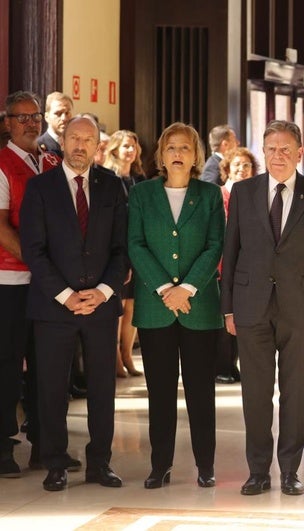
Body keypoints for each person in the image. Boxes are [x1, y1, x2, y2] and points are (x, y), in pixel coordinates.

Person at [221, 120, 304, 496]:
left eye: (286, 148)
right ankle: (258, 471)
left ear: (300, 152)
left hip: (299, 308)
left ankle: (290, 470)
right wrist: (227, 309)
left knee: (293, 393)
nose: (278, 155)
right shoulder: (243, 192)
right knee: (255, 394)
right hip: (250, 306)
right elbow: (231, 252)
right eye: (271, 148)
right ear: (262, 152)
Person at [19, 115, 127, 492]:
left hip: (100, 306)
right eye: (74, 138)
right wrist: (66, 296)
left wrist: (103, 292)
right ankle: (55, 463)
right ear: (62, 142)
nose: (81, 146)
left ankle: (100, 463)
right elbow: (34, 250)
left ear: (98, 145)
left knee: (102, 389)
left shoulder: (113, 186)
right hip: (53, 307)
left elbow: (121, 249)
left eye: (89, 139)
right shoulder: (40, 188)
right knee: (51, 388)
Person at [127, 122, 224, 489]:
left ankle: (206, 465)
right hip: (156, 308)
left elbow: (215, 245)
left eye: (185, 148)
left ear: (196, 154)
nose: (178, 154)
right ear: (161, 156)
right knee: (160, 391)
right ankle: (160, 465)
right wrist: (168, 288)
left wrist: (188, 289)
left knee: (202, 390)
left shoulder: (210, 195)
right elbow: (136, 244)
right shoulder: (141, 194)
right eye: (171, 148)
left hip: (198, 309)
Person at [0, 91, 62, 478]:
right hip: (10, 280)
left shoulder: (51, 161)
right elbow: (0, 227)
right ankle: (3, 447)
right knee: (6, 365)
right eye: (21, 117)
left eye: (34, 116)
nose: (29, 122)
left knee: (48, 366)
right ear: (6, 122)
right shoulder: (2, 163)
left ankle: (45, 443)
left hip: (49, 282)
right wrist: (40, 262)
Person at [214, 147, 259, 385]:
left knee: (242, 319)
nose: (243, 169)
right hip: (222, 267)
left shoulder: (255, 197)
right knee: (224, 320)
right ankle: (222, 365)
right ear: (228, 169)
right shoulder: (219, 195)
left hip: (248, 268)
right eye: (238, 165)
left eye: (247, 165)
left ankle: (233, 363)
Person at [104, 130, 146, 378]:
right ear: (115, 149)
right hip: (117, 248)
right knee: (118, 306)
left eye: (133, 146)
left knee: (133, 306)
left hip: (137, 248)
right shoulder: (108, 178)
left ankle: (128, 355)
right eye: (125, 146)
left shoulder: (138, 178)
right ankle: (115, 358)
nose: (130, 150)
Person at [37, 92, 73, 158]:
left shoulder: (75, 144)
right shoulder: (38, 147)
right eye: (58, 113)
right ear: (46, 117)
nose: (64, 118)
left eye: (67, 113)